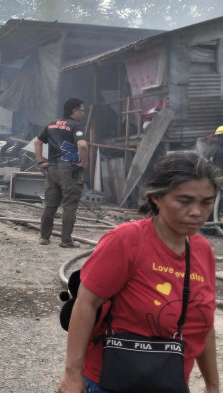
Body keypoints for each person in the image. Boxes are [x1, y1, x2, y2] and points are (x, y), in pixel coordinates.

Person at [58, 152, 221, 393]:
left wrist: (212, 385)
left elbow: (203, 323)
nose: (197, 211)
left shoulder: (202, 250)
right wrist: (72, 374)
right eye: (184, 201)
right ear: (157, 197)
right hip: (112, 380)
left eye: (206, 202)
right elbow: (87, 303)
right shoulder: (127, 240)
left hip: (169, 381)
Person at [34, 97, 88, 248]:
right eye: (82, 110)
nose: (83, 113)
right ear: (74, 111)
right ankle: (66, 240)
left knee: (50, 205)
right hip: (69, 171)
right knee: (70, 205)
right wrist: (84, 163)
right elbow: (83, 146)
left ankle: (44, 238)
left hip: (52, 169)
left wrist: (40, 162)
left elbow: (37, 142)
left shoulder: (51, 124)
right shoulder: (75, 126)